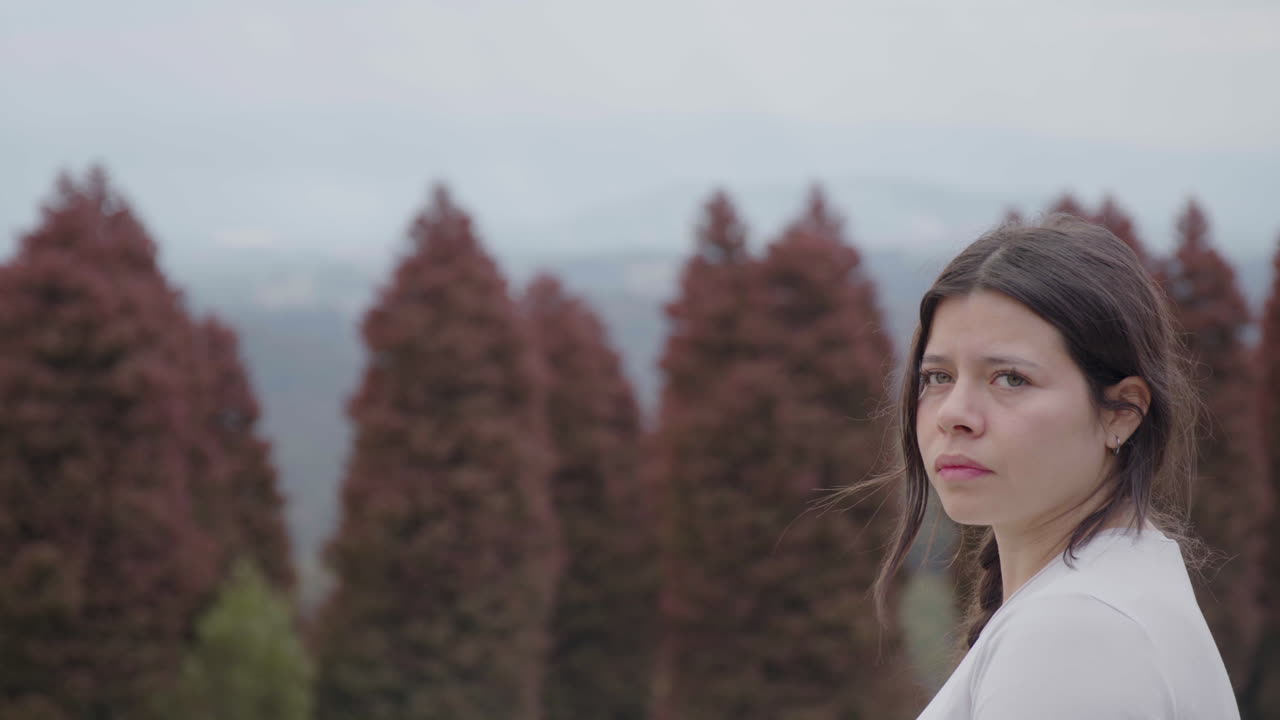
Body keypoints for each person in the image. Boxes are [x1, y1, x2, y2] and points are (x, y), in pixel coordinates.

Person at [862, 215, 1239, 718]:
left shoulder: (1078, 631)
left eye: (1011, 379)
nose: (954, 414)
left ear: (1122, 413)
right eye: (937, 376)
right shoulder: (1107, 593)